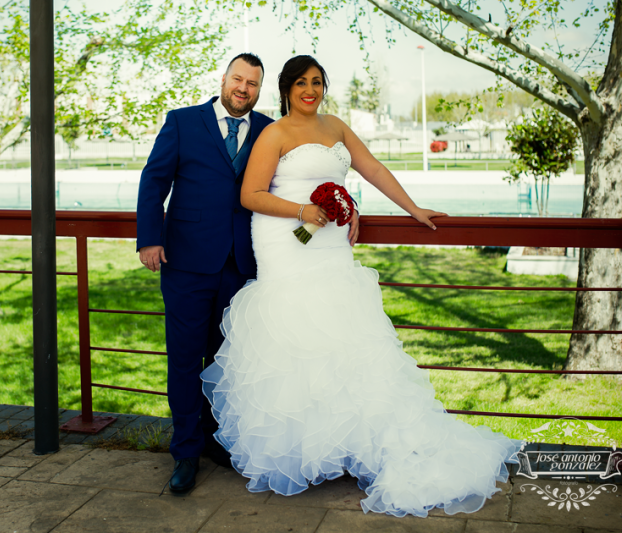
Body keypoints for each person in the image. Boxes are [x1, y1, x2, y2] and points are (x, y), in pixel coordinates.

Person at [201, 55, 523, 518]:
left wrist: (412, 209)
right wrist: (303, 211)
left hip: (331, 242)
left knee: (344, 333)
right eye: (301, 83)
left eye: (317, 82)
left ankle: (347, 443)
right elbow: (250, 194)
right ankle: (304, 449)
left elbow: (372, 169)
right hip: (286, 242)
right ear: (287, 89)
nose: (310, 90)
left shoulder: (336, 127)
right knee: (300, 334)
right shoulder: (275, 133)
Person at [136, 53, 360, 495]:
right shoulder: (182, 122)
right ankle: (185, 451)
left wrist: (348, 206)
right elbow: (154, 180)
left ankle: (217, 439)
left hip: (243, 264)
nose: (243, 88)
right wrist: (149, 238)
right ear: (224, 80)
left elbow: (300, 180)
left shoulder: (268, 129)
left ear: (260, 90)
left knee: (228, 360)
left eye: (252, 83)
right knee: (185, 359)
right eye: (237, 79)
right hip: (186, 260)